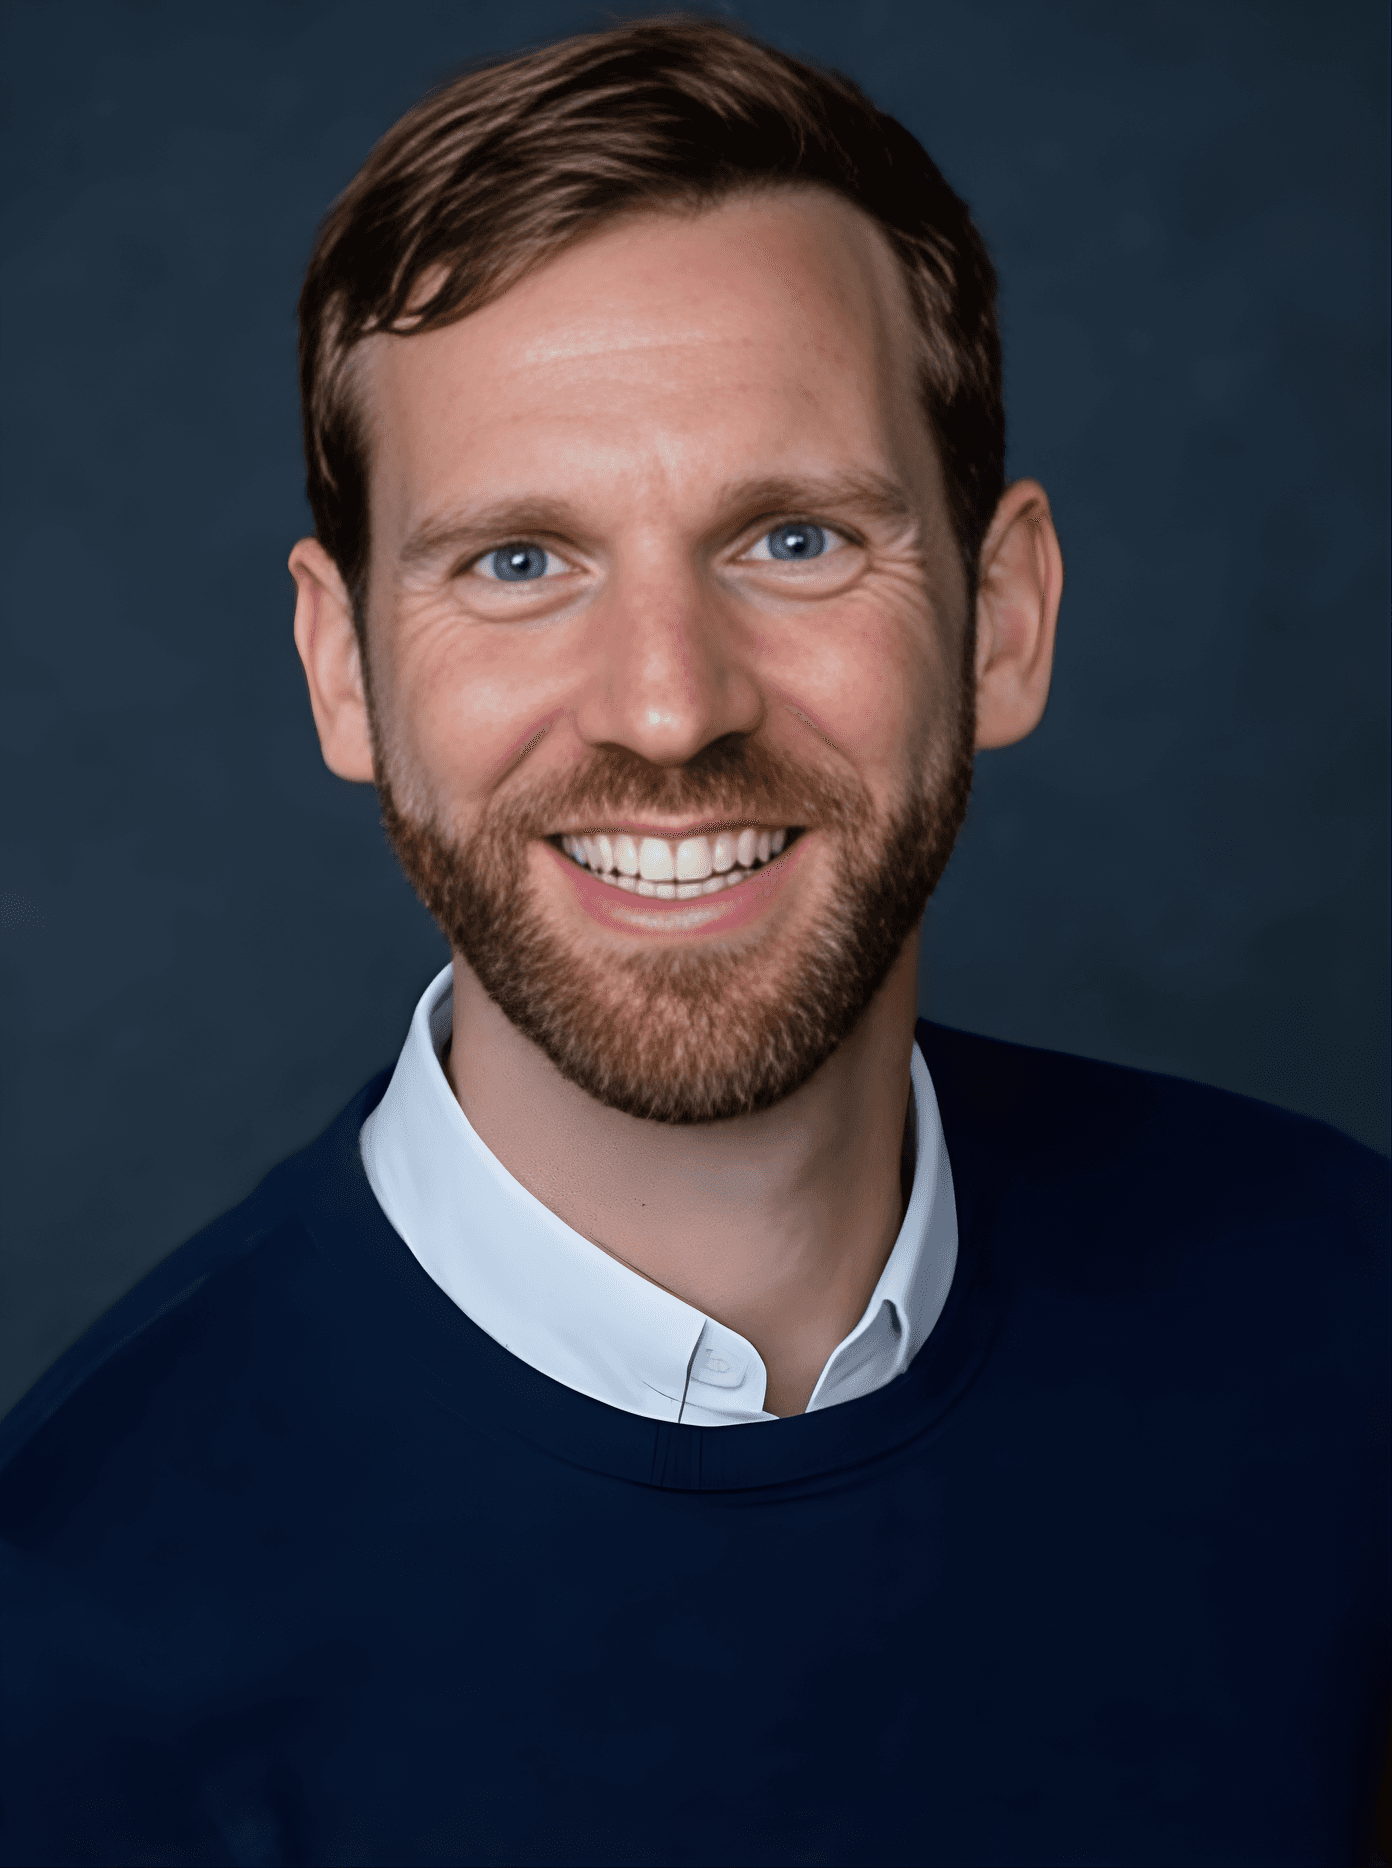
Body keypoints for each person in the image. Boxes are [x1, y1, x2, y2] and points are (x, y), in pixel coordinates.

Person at [1, 17, 1386, 1867]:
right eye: (517, 561)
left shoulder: (1347, 1320)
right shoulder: (67, 1649)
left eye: (796, 539)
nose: (666, 708)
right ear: (342, 666)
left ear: (1003, 619)